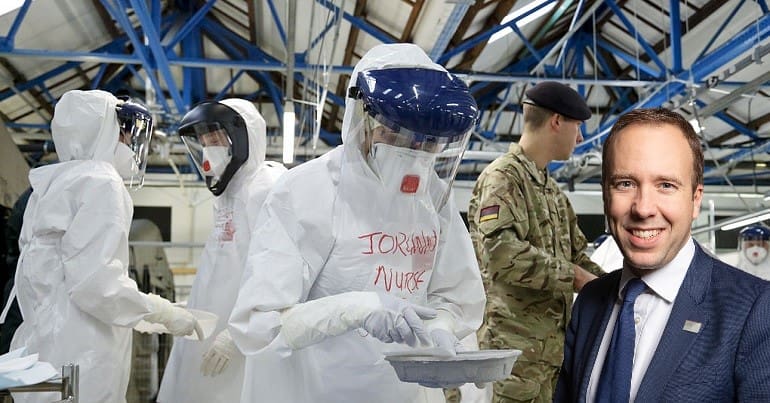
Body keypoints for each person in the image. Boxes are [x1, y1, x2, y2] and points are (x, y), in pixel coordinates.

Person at [227, 43, 486, 403]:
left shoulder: (433, 196)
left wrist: (444, 324)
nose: (413, 152)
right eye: (396, 134)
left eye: (429, 144)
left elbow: (458, 294)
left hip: (406, 393)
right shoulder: (307, 191)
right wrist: (354, 310)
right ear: (361, 118)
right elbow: (258, 325)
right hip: (320, 389)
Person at [555, 108, 770, 402]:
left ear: (695, 200)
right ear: (606, 193)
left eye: (666, 185)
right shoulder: (590, 302)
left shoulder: (755, 311)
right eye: (625, 184)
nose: (643, 209)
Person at [8, 90, 201, 403]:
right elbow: (96, 285)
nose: (129, 146)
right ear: (102, 132)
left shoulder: (53, 185)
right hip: (80, 357)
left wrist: (144, 315)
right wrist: (159, 310)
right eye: (124, 135)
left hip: (44, 350)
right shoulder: (101, 182)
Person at [468, 81, 604, 402]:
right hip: (512, 358)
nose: (581, 137)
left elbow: (577, 256)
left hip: (549, 359)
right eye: (578, 126)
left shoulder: (551, 191)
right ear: (556, 121)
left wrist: (614, 285)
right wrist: (573, 276)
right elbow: (500, 254)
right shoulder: (503, 179)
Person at [157, 99, 286, 402]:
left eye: (214, 138)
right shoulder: (228, 194)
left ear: (242, 138)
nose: (207, 148)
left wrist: (237, 333)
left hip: (242, 341)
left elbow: (276, 273)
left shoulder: (266, 188)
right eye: (202, 141)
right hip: (208, 334)